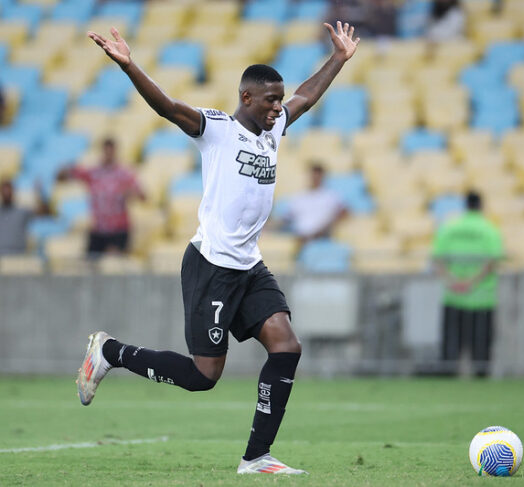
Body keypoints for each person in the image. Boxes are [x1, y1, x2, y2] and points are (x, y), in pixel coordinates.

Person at [77, 20, 360, 475]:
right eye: (270, 100)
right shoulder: (217, 129)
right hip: (210, 266)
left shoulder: (274, 128)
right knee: (203, 377)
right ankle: (111, 352)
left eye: (277, 100)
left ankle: (256, 457)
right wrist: (130, 67)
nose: (277, 108)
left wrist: (339, 59)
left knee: (286, 345)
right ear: (246, 97)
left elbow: (305, 97)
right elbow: (168, 106)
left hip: (250, 266)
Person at [431, 190, 503, 377]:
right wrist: (471, 283)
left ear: (465, 205)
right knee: (481, 346)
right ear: (481, 205)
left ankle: (448, 376)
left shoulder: (449, 227)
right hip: (482, 297)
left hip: (453, 296)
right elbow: (492, 262)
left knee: (451, 344)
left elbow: (438, 260)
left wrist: (455, 282)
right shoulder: (489, 229)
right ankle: (480, 377)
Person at [60, 137, 145, 258]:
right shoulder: (94, 173)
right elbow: (63, 176)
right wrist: (66, 167)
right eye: (106, 151)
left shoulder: (124, 174)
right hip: (98, 229)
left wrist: (131, 194)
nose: (108, 155)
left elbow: (143, 195)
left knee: (113, 263)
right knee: (90, 264)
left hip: (118, 229)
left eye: (111, 151)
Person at [280, 162, 348, 247]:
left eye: (318, 176)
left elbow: (344, 212)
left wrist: (327, 228)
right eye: (313, 176)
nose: (315, 179)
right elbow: (286, 219)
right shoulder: (299, 197)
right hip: (300, 239)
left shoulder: (331, 196)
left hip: (323, 240)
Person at [0, 178, 49, 256]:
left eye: (9, 189)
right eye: (4, 190)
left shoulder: (22, 212)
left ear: (13, 192)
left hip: (19, 256)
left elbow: (44, 211)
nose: (6, 192)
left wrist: (39, 194)